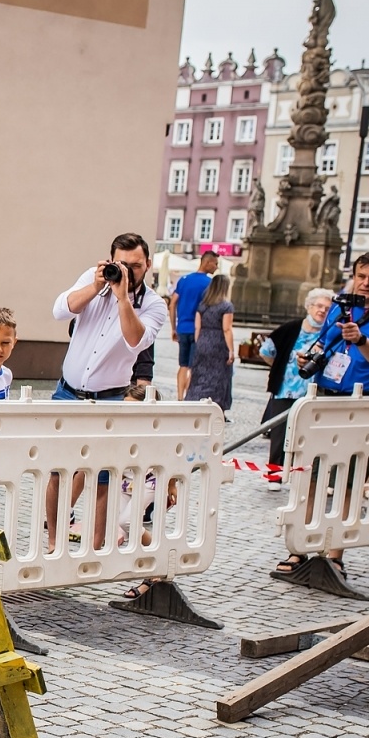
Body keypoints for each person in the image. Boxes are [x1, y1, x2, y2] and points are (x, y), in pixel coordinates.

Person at [273, 250, 369, 581]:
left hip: (361, 404)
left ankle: (335, 555)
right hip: (324, 400)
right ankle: (300, 548)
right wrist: (309, 359)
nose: (365, 283)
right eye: (361, 275)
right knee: (312, 476)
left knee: (348, 481)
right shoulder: (340, 307)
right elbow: (324, 346)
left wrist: (361, 340)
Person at [46, 233, 168, 549]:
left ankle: (95, 547)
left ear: (148, 265)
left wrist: (122, 298)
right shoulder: (93, 278)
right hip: (67, 393)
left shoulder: (154, 305)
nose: (128, 271)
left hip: (111, 399)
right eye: (121, 264)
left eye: (136, 266)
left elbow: (136, 341)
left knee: (102, 477)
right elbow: (61, 310)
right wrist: (95, 286)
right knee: (57, 472)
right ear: (110, 260)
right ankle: (53, 543)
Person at [257, 288, 334, 485]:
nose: (322, 311)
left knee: (310, 437)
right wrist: (280, 366)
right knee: (279, 436)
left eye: (327, 308)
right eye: (319, 306)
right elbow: (266, 351)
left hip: (313, 393)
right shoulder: (291, 328)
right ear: (309, 306)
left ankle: (306, 478)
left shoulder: (330, 335)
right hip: (285, 389)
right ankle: (274, 477)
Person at [168, 251, 218, 399]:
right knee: (194, 366)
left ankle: (179, 397)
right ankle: (189, 396)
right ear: (207, 262)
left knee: (183, 365)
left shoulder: (184, 280)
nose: (216, 267)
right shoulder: (209, 283)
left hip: (182, 328)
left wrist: (173, 327)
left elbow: (172, 304)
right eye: (215, 263)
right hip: (199, 330)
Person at [186, 274, 235, 413]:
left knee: (199, 375)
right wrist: (231, 350)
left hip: (203, 341)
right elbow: (227, 329)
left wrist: (199, 343)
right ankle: (216, 406)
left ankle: (194, 401)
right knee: (219, 377)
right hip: (218, 342)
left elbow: (197, 327)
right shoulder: (226, 306)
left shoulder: (202, 305)